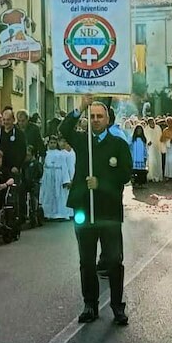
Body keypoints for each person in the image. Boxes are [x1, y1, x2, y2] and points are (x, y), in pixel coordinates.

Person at [60, 95, 133, 325]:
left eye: (99, 116)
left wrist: (101, 183)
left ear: (108, 118)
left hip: (109, 211)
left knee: (113, 260)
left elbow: (125, 174)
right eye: (91, 116)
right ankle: (89, 304)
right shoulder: (82, 141)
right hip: (85, 209)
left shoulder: (118, 144)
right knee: (87, 261)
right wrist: (81, 106)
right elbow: (64, 128)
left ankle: (117, 306)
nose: (95, 120)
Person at [40, 136, 72, 220]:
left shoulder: (60, 154)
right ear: (48, 143)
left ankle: (60, 214)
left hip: (58, 175)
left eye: (54, 143)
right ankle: (47, 213)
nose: (53, 145)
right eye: (51, 143)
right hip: (48, 175)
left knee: (59, 195)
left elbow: (64, 167)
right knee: (48, 194)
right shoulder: (45, 154)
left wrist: (66, 180)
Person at [143, 117, 164, 183]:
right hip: (151, 148)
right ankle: (152, 176)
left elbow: (161, 136)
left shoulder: (158, 128)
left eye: (153, 122)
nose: (153, 123)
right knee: (152, 162)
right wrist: (148, 142)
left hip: (157, 147)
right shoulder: (146, 129)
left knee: (158, 162)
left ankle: (158, 176)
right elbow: (145, 137)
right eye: (151, 122)